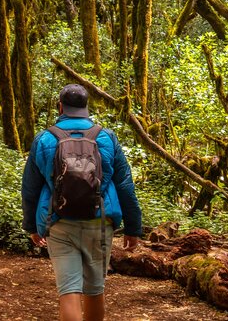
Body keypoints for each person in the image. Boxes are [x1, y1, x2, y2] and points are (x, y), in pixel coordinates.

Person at [21, 84, 143, 321]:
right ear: (87, 107)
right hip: (99, 222)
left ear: (60, 107)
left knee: (68, 291)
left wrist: (31, 226)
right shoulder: (106, 137)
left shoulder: (44, 139)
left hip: (59, 223)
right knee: (95, 290)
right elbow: (125, 185)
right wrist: (133, 227)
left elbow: (30, 188)